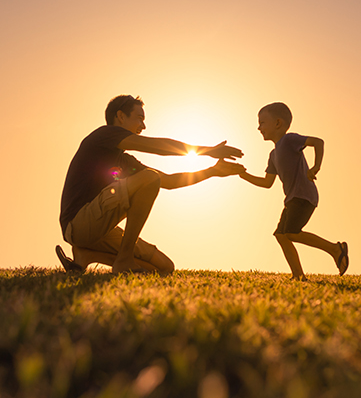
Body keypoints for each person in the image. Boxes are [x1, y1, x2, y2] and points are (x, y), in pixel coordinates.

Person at [57, 94, 244, 275]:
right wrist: (208, 150)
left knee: (164, 267)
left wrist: (212, 171)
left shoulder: (125, 160)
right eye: (139, 118)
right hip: (77, 224)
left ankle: (88, 255)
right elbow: (156, 147)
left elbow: (169, 181)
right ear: (121, 116)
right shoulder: (104, 135)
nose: (143, 126)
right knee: (149, 177)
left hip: (97, 230)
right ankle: (124, 259)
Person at [238, 102, 348, 281]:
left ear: (278, 123)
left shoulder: (289, 140)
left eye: (262, 122)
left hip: (304, 195)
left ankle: (335, 249)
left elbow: (318, 142)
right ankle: (298, 276)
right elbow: (267, 183)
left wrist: (315, 167)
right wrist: (243, 175)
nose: (259, 127)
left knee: (291, 232)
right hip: (291, 199)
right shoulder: (273, 155)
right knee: (281, 235)